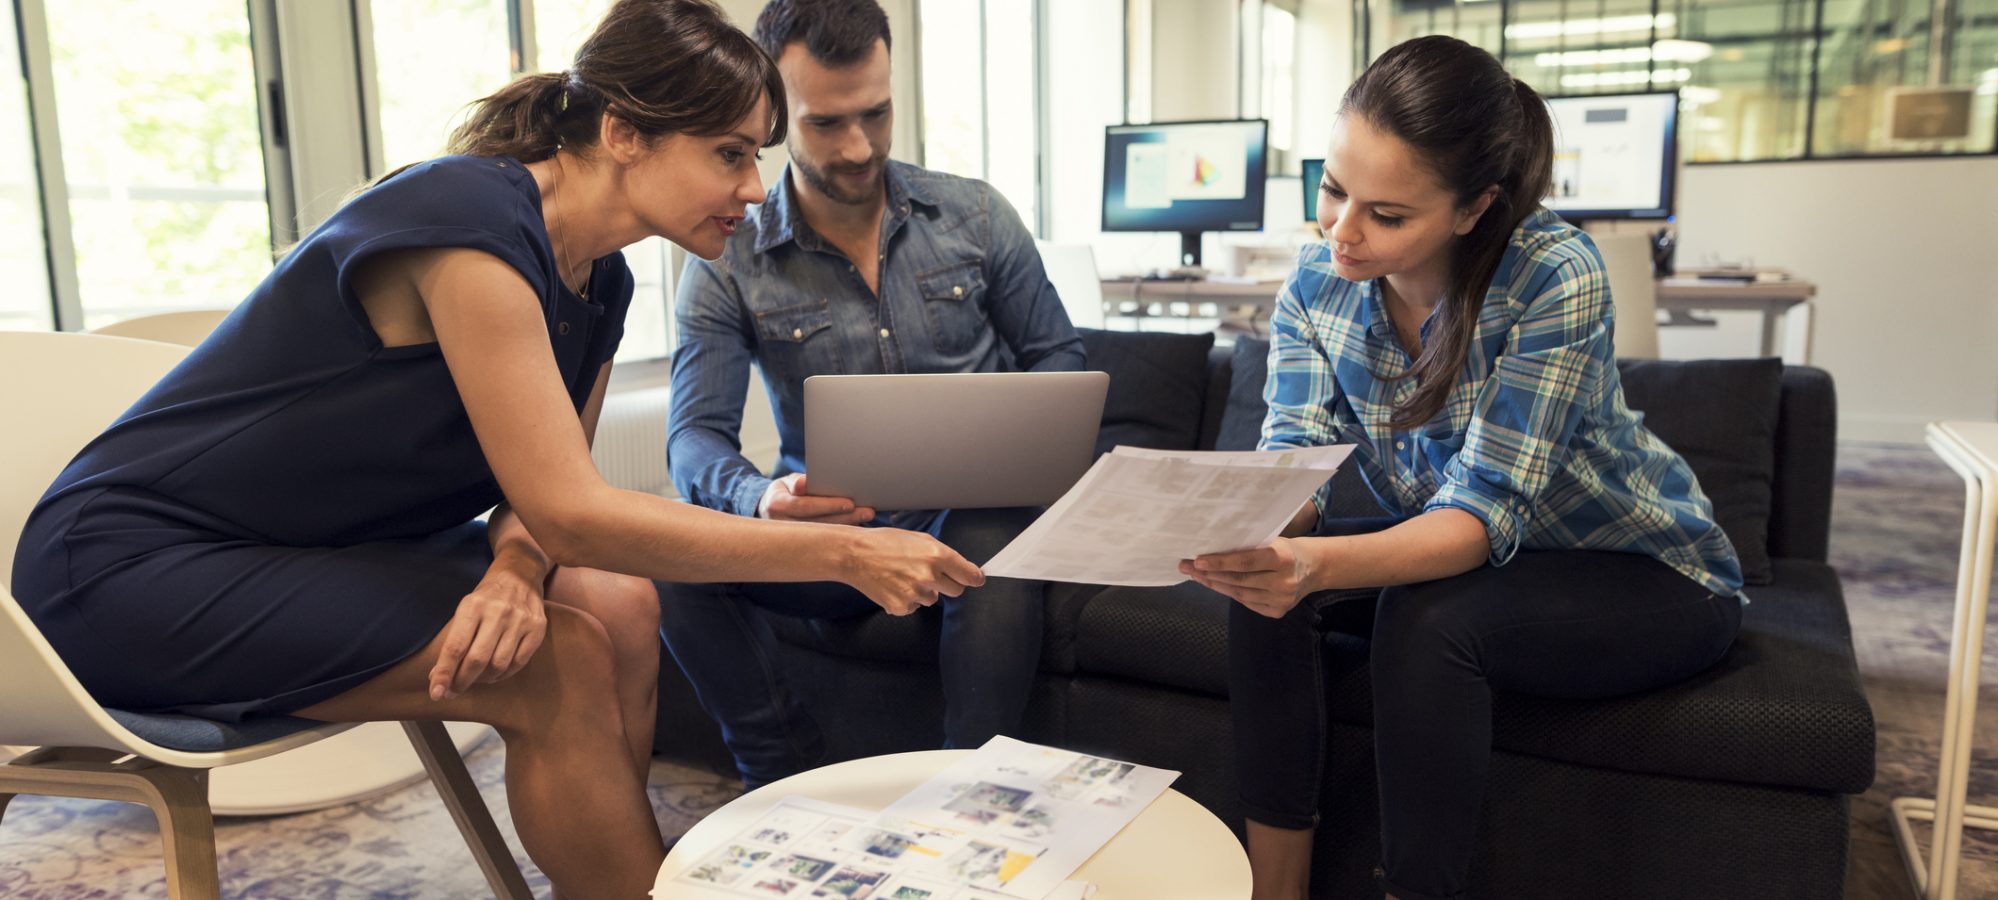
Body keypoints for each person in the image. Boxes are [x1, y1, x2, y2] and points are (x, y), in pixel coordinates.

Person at [8, 2, 983, 895]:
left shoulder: (603, 283)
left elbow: (546, 504)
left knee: (612, 598)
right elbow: (575, 511)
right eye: (730, 153)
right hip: (125, 569)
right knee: (550, 661)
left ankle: (603, 874)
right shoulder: (468, 229)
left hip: (304, 552)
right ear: (624, 133)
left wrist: (517, 569)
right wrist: (845, 551)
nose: (753, 187)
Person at [1180, 36, 1745, 900]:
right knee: (1266, 594)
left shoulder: (1555, 275)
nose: (1341, 231)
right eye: (1332, 189)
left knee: (1427, 618)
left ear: (1474, 207)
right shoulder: (1313, 285)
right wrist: (1248, 529)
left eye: (1388, 214)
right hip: (1477, 548)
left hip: (1641, 570)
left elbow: (1481, 513)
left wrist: (1312, 560)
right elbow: (1294, 455)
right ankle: (1276, 889)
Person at [659, 0, 1083, 788]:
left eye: (877, 113)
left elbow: (1059, 353)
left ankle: (971, 793)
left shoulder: (978, 215)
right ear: (778, 116)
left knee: (991, 528)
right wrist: (759, 499)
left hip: (974, 520)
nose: (859, 147)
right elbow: (693, 440)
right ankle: (780, 777)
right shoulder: (730, 257)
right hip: (832, 536)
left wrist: (1029, 437)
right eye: (826, 124)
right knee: (673, 556)